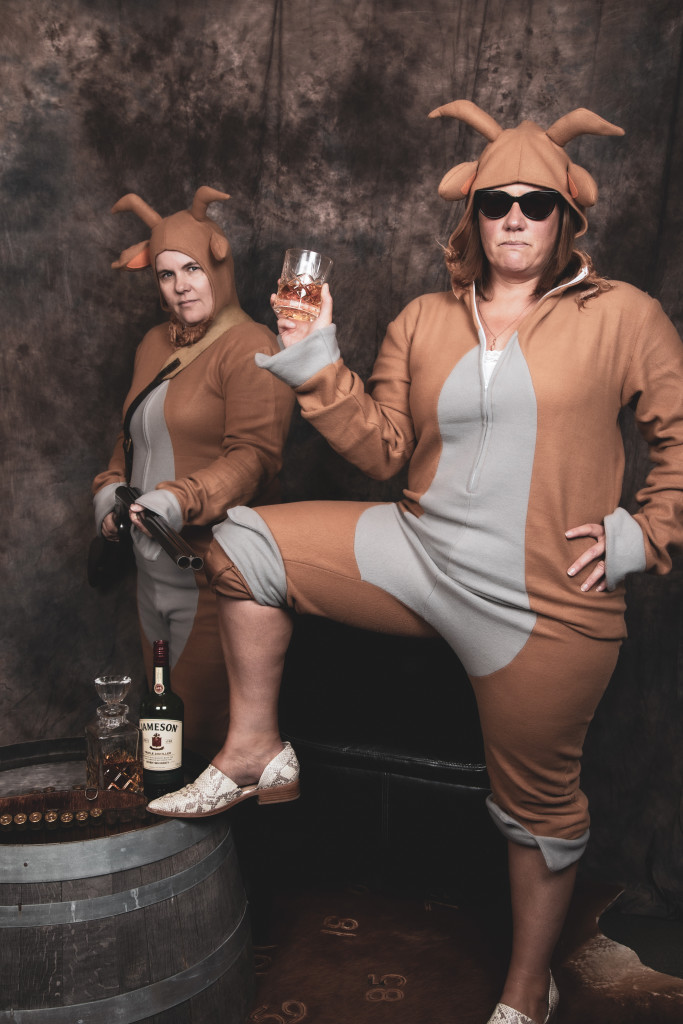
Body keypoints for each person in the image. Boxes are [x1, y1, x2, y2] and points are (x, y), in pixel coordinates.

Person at [146, 104, 683, 1024]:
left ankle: (527, 988)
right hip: (418, 550)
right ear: (472, 213)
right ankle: (255, 747)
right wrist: (314, 361)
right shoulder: (424, 319)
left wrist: (641, 535)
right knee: (241, 544)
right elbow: (383, 449)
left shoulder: (624, 314)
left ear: (564, 218)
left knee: (538, 812)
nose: (514, 218)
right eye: (496, 202)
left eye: (536, 204)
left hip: (541, 598)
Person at [92, 187, 294, 759]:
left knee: (204, 734)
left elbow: (255, 458)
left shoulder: (252, 345)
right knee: (160, 731)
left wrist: (178, 500)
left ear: (219, 267)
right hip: (148, 570)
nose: (180, 285)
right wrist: (108, 494)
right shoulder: (153, 344)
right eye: (166, 274)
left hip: (212, 572)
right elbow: (131, 438)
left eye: (193, 268)